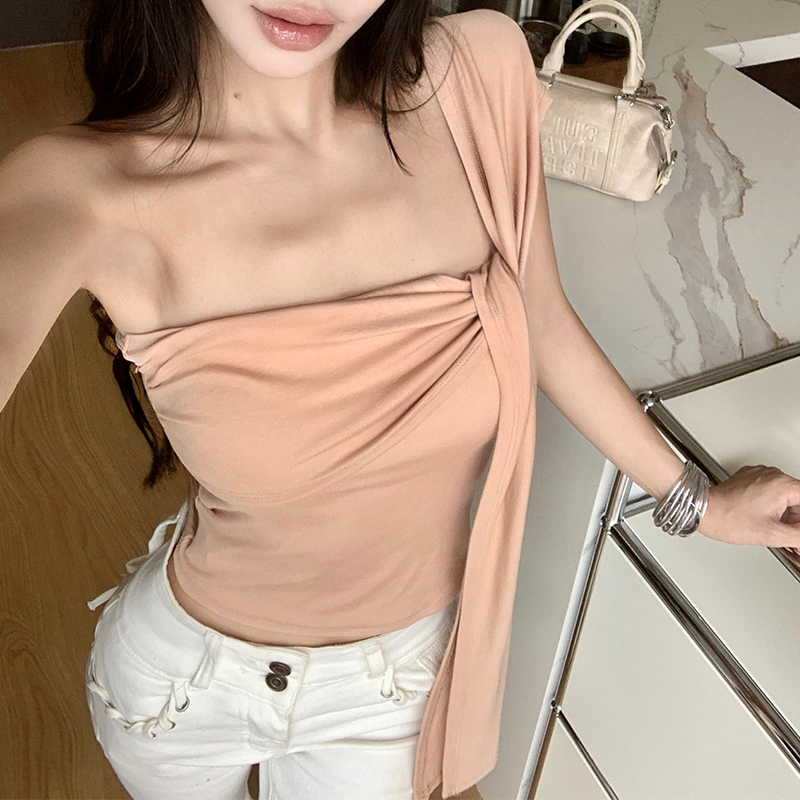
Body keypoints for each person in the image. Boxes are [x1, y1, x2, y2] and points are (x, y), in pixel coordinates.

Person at [1, 1, 799, 799]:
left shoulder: (473, 78)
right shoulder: (80, 190)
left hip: (393, 688)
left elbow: (543, 320)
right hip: (186, 689)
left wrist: (698, 502)